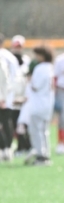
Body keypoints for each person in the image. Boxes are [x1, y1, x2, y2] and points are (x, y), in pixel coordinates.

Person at [21, 46, 55, 166]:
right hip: (48, 103)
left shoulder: (40, 68)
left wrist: (29, 80)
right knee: (45, 130)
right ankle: (46, 154)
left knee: (36, 131)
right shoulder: (50, 67)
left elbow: (35, 86)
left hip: (38, 104)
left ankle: (41, 156)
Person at [9, 35, 31, 156]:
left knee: (22, 125)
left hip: (23, 99)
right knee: (11, 124)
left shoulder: (26, 61)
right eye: (15, 46)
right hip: (11, 98)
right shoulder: (6, 59)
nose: (17, 49)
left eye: (19, 47)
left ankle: (24, 146)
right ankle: (14, 147)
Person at [0, 33, 20, 161]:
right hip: (8, 95)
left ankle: (5, 149)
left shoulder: (4, 57)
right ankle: (7, 148)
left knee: (5, 123)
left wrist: (3, 96)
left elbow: (5, 79)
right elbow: (16, 78)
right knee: (7, 123)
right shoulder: (11, 57)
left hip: (3, 95)